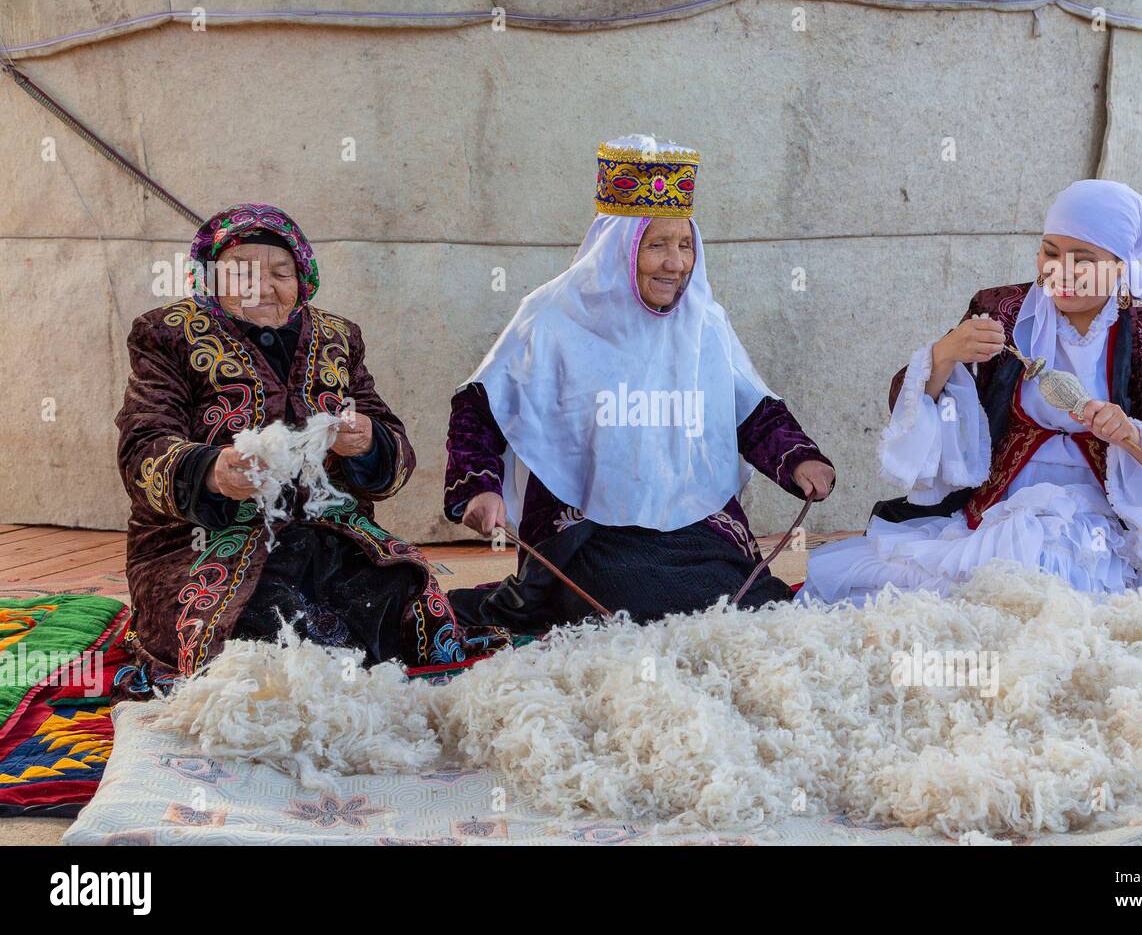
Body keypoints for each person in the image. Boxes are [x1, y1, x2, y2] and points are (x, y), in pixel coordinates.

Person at [114, 203, 508, 699]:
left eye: (281, 273)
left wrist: (366, 442)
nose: (264, 287)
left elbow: (391, 441)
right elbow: (142, 442)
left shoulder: (338, 338)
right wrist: (214, 471)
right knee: (254, 632)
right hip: (204, 537)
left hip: (328, 531)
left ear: (302, 278)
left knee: (406, 602)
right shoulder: (167, 334)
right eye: (242, 274)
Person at [444, 136, 836, 630]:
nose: (676, 264)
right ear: (618, 251)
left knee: (755, 609)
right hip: (590, 529)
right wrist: (479, 488)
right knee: (631, 613)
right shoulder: (549, 319)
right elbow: (481, 407)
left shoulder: (703, 322)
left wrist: (799, 458)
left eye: (685, 244)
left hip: (695, 520)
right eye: (657, 246)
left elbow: (751, 409)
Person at [800, 180, 1142, 606]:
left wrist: (1132, 435)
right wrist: (946, 353)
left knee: (1058, 584)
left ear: (1121, 265)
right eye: (1049, 252)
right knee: (916, 587)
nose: (1058, 272)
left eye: (1082, 260)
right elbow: (912, 402)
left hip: (1103, 512)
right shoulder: (1000, 310)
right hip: (1001, 501)